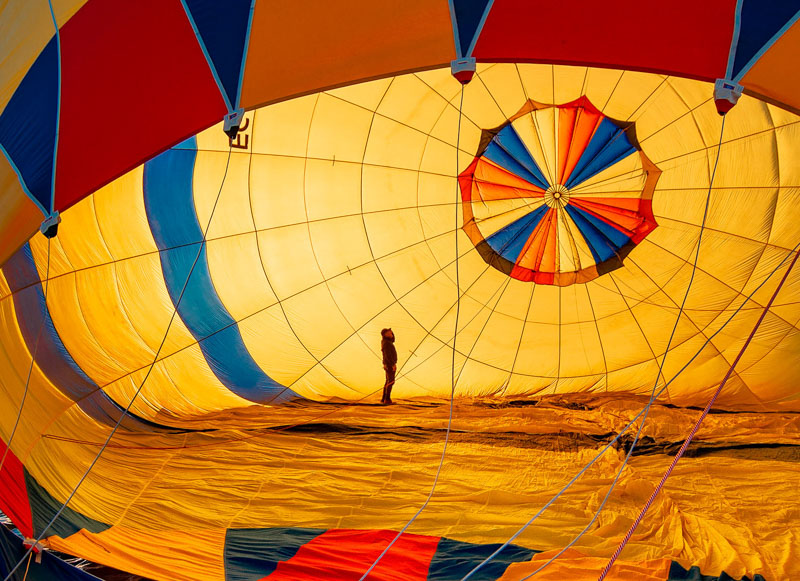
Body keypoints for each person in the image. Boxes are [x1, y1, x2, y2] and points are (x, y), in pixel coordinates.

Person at [380, 328, 397, 405]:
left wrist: (391, 333)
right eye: (390, 333)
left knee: (388, 381)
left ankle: (384, 398)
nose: (392, 335)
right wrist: (392, 364)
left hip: (387, 364)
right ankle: (387, 399)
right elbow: (388, 355)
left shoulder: (386, 341)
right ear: (385, 334)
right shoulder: (386, 343)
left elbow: (393, 340)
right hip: (389, 364)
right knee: (391, 381)